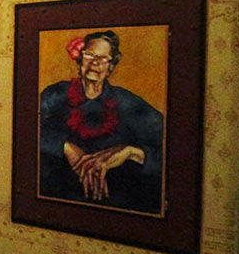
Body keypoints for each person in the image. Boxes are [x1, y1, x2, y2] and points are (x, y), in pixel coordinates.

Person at [38, 30, 164, 214]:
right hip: (55, 204)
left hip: (117, 208)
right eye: (89, 55)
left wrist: (130, 152)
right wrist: (64, 147)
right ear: (80, 59)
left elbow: (175, 149)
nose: (95, 63)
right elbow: (21, 130)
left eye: (103, 58)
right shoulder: (55, 95)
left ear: (111, 66)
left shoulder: (128, 103)